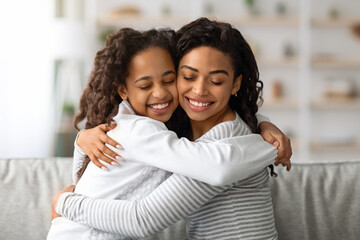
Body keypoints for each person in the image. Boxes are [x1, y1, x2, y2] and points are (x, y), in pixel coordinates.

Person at [52, 18, 292, 240]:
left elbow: (142, 219)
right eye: (188, 76)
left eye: (216, 81)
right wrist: (82, 137)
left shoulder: (216, 149)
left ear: (235, 84)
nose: (199, 91)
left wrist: (64, 203)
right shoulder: (175, 131)